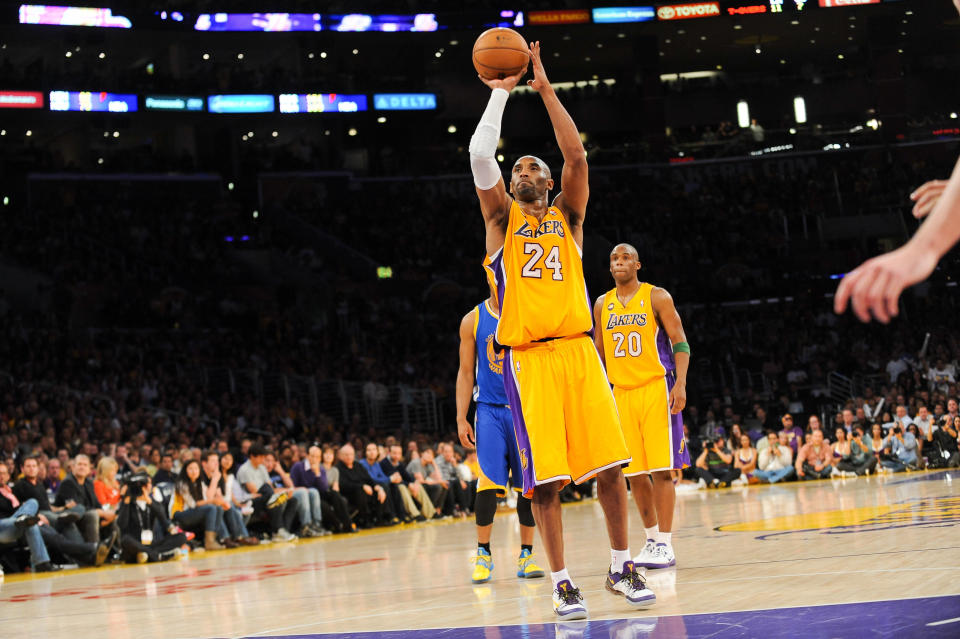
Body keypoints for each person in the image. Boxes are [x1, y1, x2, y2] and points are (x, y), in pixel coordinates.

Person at [470, 40, 652, 619]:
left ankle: (623, 568)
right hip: (529, 359)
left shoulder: (570, 218)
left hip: (580, 352)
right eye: (517, 166)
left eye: (533, 167)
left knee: (610, 467)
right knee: (544, 481)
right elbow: (479, 153)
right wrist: (500, 95)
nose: (523, 170)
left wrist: (544, 89)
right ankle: (562, 581)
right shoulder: (502, 221)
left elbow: (577, 158)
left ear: (548, 183)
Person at [593, 243, 691, 571]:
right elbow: (600, 354)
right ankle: (650, 540)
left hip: (655, 388)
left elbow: (680, 340)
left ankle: (665, 542)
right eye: (613, 259)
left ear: (638, 264)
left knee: (662, 470)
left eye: (625, 258)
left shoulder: (656, 296)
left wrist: (680, 383)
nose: (618, 263)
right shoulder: (602, 304)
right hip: (620, 393)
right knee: (634, 474)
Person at [457, 281, 544, 584]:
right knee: (488, 482)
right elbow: (466, 371)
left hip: (524, 411)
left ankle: (527, 555)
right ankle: (483, 554)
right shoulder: (473, 319)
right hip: (489, 411)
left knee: (527, 486)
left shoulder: (529, 315)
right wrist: (461, 417)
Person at [116, 473, 188, 563]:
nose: (147, 487)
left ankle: (146, 554)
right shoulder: (127, 504)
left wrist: (148, 500)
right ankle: (158, 555)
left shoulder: (152, 502)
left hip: (153, 544)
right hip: (134, 545)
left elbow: (163, 518)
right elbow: (122, 525)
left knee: (182, 537)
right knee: (125, 540)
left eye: (148, 484)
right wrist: (126, 500)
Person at [236, 445, 296, 542]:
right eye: (261, 457)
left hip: (266, 497)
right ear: (252, 456)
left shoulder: (261, 468)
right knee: (270, 494)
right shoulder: (244, 469)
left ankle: (284, 530)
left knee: (292, 500)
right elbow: (254, 491)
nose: (263, 459)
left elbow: (270, 487)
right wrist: (272, 494)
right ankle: (277, 532)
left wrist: (281, 493)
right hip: (250, 501)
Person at [54, 454, 117, 543]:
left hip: (87, 517)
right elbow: (77, 507)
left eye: (85, 465)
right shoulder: (67, 483)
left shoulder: (89, 483)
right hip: (72, 520)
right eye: (79, 464)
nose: (82, 467)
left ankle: (113, 550)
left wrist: (106, 512)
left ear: (89, 469)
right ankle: (94, 549)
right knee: (93, 514)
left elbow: (96, 503)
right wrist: (101, 513)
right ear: (73, 467)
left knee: (113, 514)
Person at [200, 451, 259, 546]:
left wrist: (223, 502)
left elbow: (218, 495)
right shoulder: (200, 476)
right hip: (201, 506)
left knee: (227, 506)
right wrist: (215, 480)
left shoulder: (215, 475)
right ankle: (225, 538)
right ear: (204, 463)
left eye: (217, 461)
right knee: (218, 508)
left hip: (212, 504)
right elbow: (209, 498)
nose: (216, 463)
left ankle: (240, 537)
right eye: (213, 461)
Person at [293, 445, 355, 533]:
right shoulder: (298, 466)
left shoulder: (320, 468)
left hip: (320, 493)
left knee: (335, 494)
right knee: (323, 504)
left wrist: (317, 474)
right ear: (307, 456)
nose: (315, 459)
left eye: (317, 456)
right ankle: (337, 526)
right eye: (312, 456)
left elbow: (324, 488)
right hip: (306, 495)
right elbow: (293, 485)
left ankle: (348, 524)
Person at [169, 459, 227, 550]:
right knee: (211, 508)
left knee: (218, 508)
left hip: (192, 512)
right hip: (179, 514)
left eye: (196, 468)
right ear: (185, 471)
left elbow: (206, 500)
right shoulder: (181, 484)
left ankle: (213, 539)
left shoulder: (200, 483)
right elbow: (193, 504)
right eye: (190, 469)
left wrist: (217, 500)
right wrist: (213, 500)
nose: (194, 471)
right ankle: (209, 542)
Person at [336, 443, 395, 528]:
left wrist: (377, 487)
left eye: (351, 454)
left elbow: (369, 479)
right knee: (361, 491)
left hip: (366, 491)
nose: (349, 457)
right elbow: (343, 484)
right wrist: (362, 486)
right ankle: (365, 520)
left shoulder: (358, 465)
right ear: (341, 456)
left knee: (382, 487)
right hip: (350, 493)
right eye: (346, 455)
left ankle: (381, 518)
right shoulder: (338, 468)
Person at [379, 443, 435, 522]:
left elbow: (407, 477)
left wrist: (415, 482)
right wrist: (409, 484)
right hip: (392, 488)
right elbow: (397, 480)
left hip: (402, 485)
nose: (397, 456)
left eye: (399, 453)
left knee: (418, 486)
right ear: (389, 453)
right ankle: (415, 514)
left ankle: (430, 513)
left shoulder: (399, 464)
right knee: (402, 487)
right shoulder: (384, 463)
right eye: (394, 453)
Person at [406, 447, 448, 518]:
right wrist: (439, 481)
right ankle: (428, 511)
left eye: (431, 454)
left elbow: (438, 478)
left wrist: (434, 463)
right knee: (437, 486)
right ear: (422, 454)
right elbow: (421, 480)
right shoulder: (416, 462)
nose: (429, 456)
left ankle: (436, 510)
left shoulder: (428, 465)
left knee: (444, 486)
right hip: (411, 485)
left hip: (421, 485)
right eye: (427, 453)